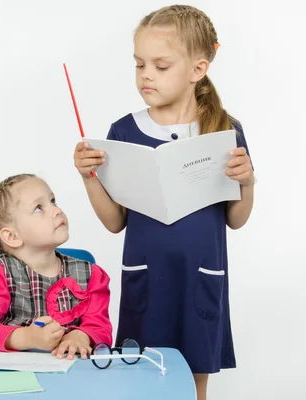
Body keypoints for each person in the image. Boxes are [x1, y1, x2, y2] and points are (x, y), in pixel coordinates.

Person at [72, 5, 254, 399]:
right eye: (139, 65)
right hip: (146, 280)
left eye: (161, 65)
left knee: (192, 383)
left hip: (201, 276)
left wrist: (248, 181)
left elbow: (236, 219)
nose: (146, 75)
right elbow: (115, 221)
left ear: (197, 69)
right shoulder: (123, 131)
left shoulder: (225, 130)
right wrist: (89, 178)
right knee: (142, 378)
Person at [0, 173, 113, 360]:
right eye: (38, 208)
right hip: (12, 375)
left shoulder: (91, 275)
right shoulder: (1, 273)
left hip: (73, 376)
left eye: (53, 201)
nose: (56, 210)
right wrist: (27, 337)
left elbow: (101, 328)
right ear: (12, 236)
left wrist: (82, 335)